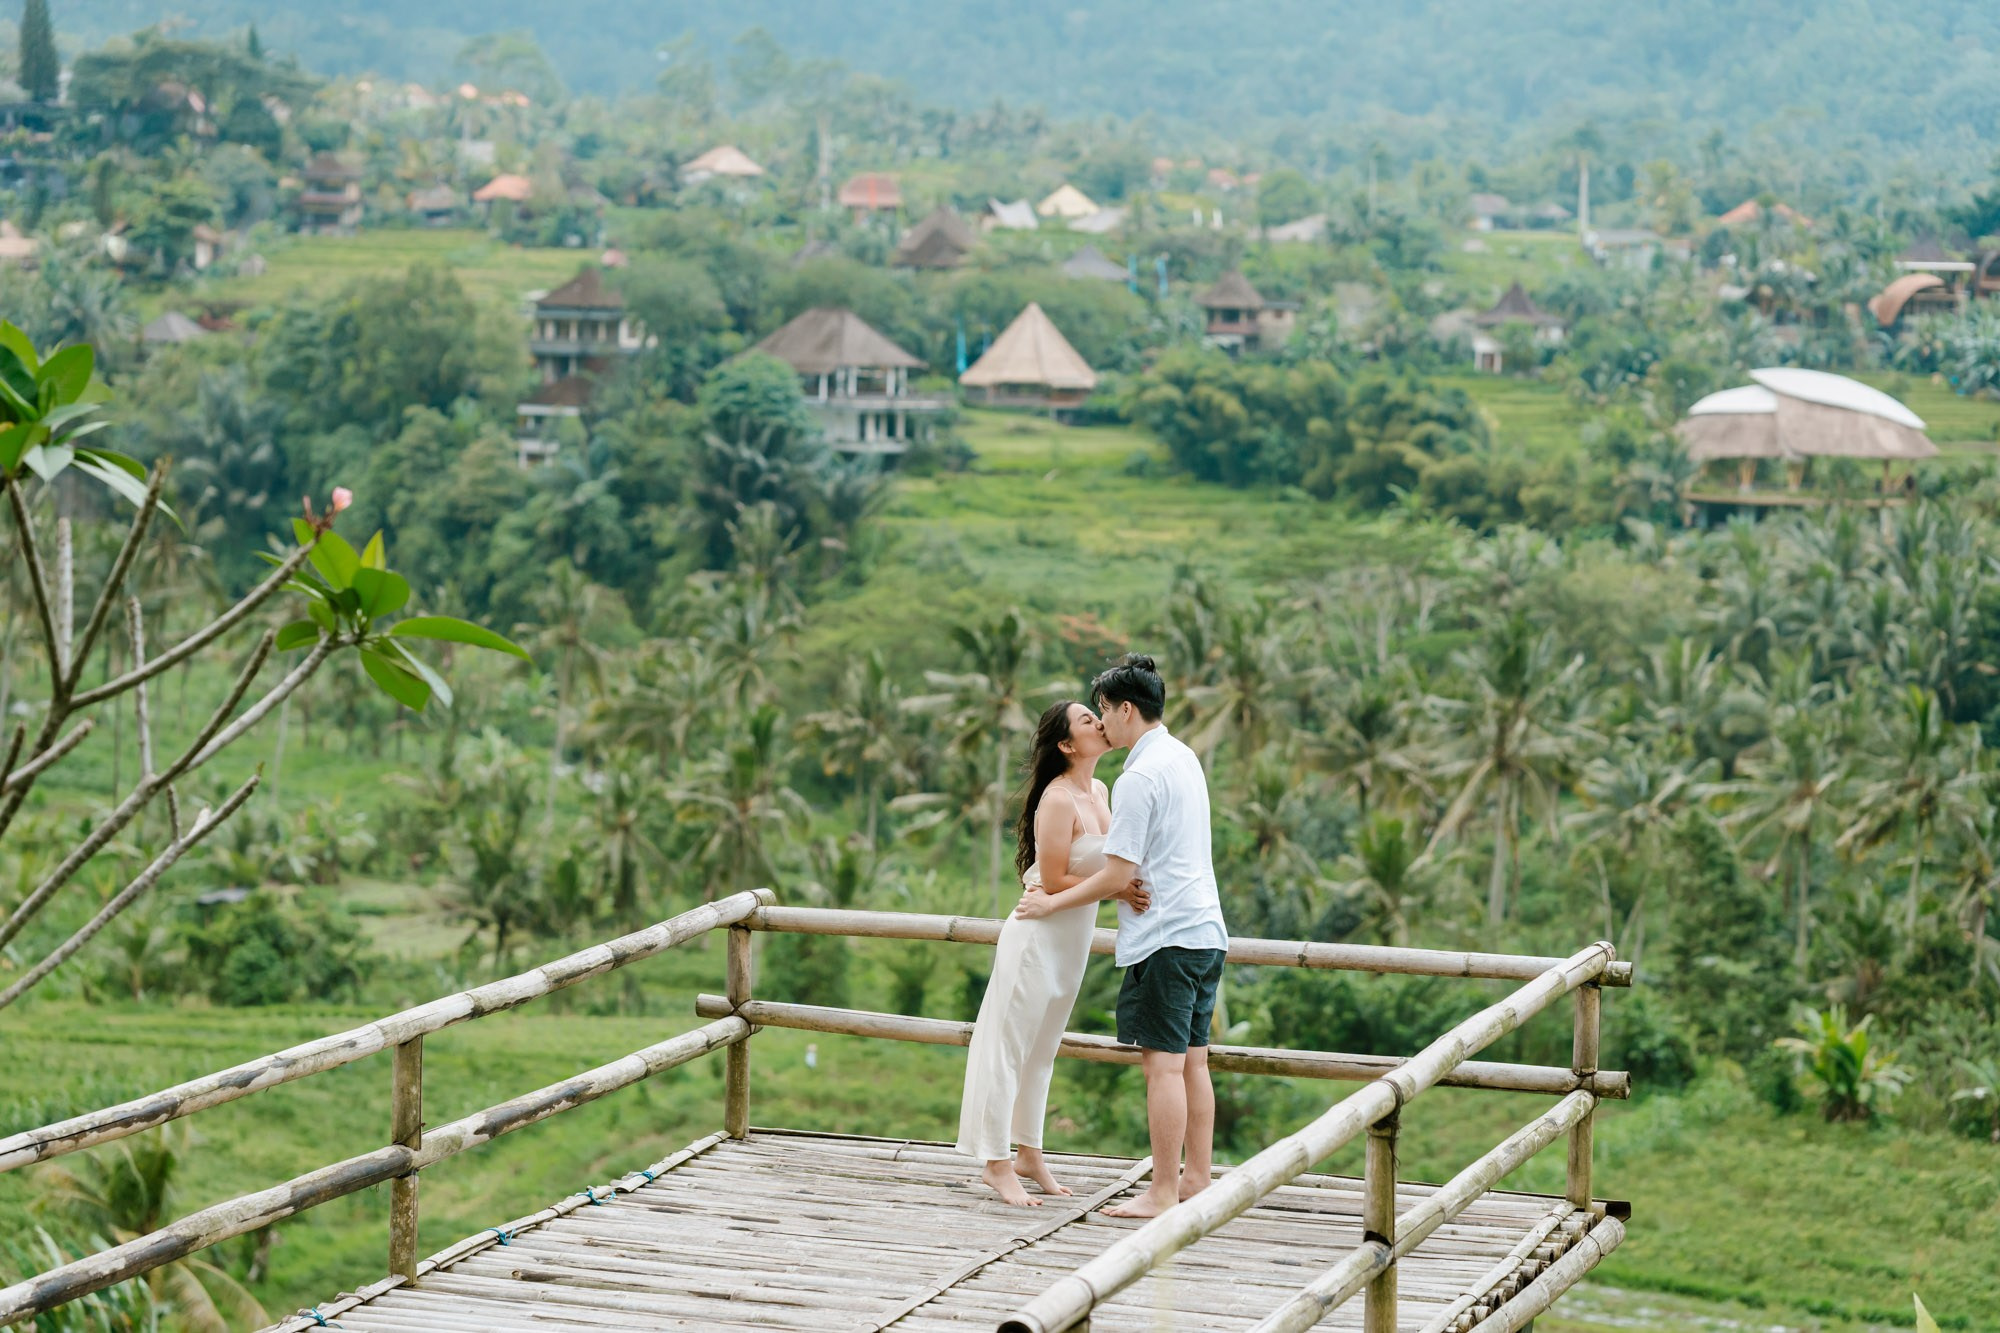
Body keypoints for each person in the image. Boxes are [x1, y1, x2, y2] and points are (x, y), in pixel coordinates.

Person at [1015, 655, 1229, 1219]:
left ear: (1126, 709)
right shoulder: (1183, 757)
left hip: (1165, 937)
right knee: (1194, 1064)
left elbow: (1115, 872)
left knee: (1163, 1067)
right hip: (1205, 931)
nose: (1102, 724)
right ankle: (1197, 1178)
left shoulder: (1138, 775)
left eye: (1104, 711)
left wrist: (1050, 901)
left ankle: (1161, 1191)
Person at [956, 700, 1151, 1206]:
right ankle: (996, 1163)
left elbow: (1108, 866)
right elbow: (1056, 876)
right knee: (1009, 1046)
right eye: (1087, 720)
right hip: (1037, 935)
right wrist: (1117, 890)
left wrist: (1120, 884)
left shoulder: (1102, 790)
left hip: (1071, 939)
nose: (1099, 723)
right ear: (1066, 744)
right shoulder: (1057, 798)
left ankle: (1030, 1154)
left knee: (1043, 1051)